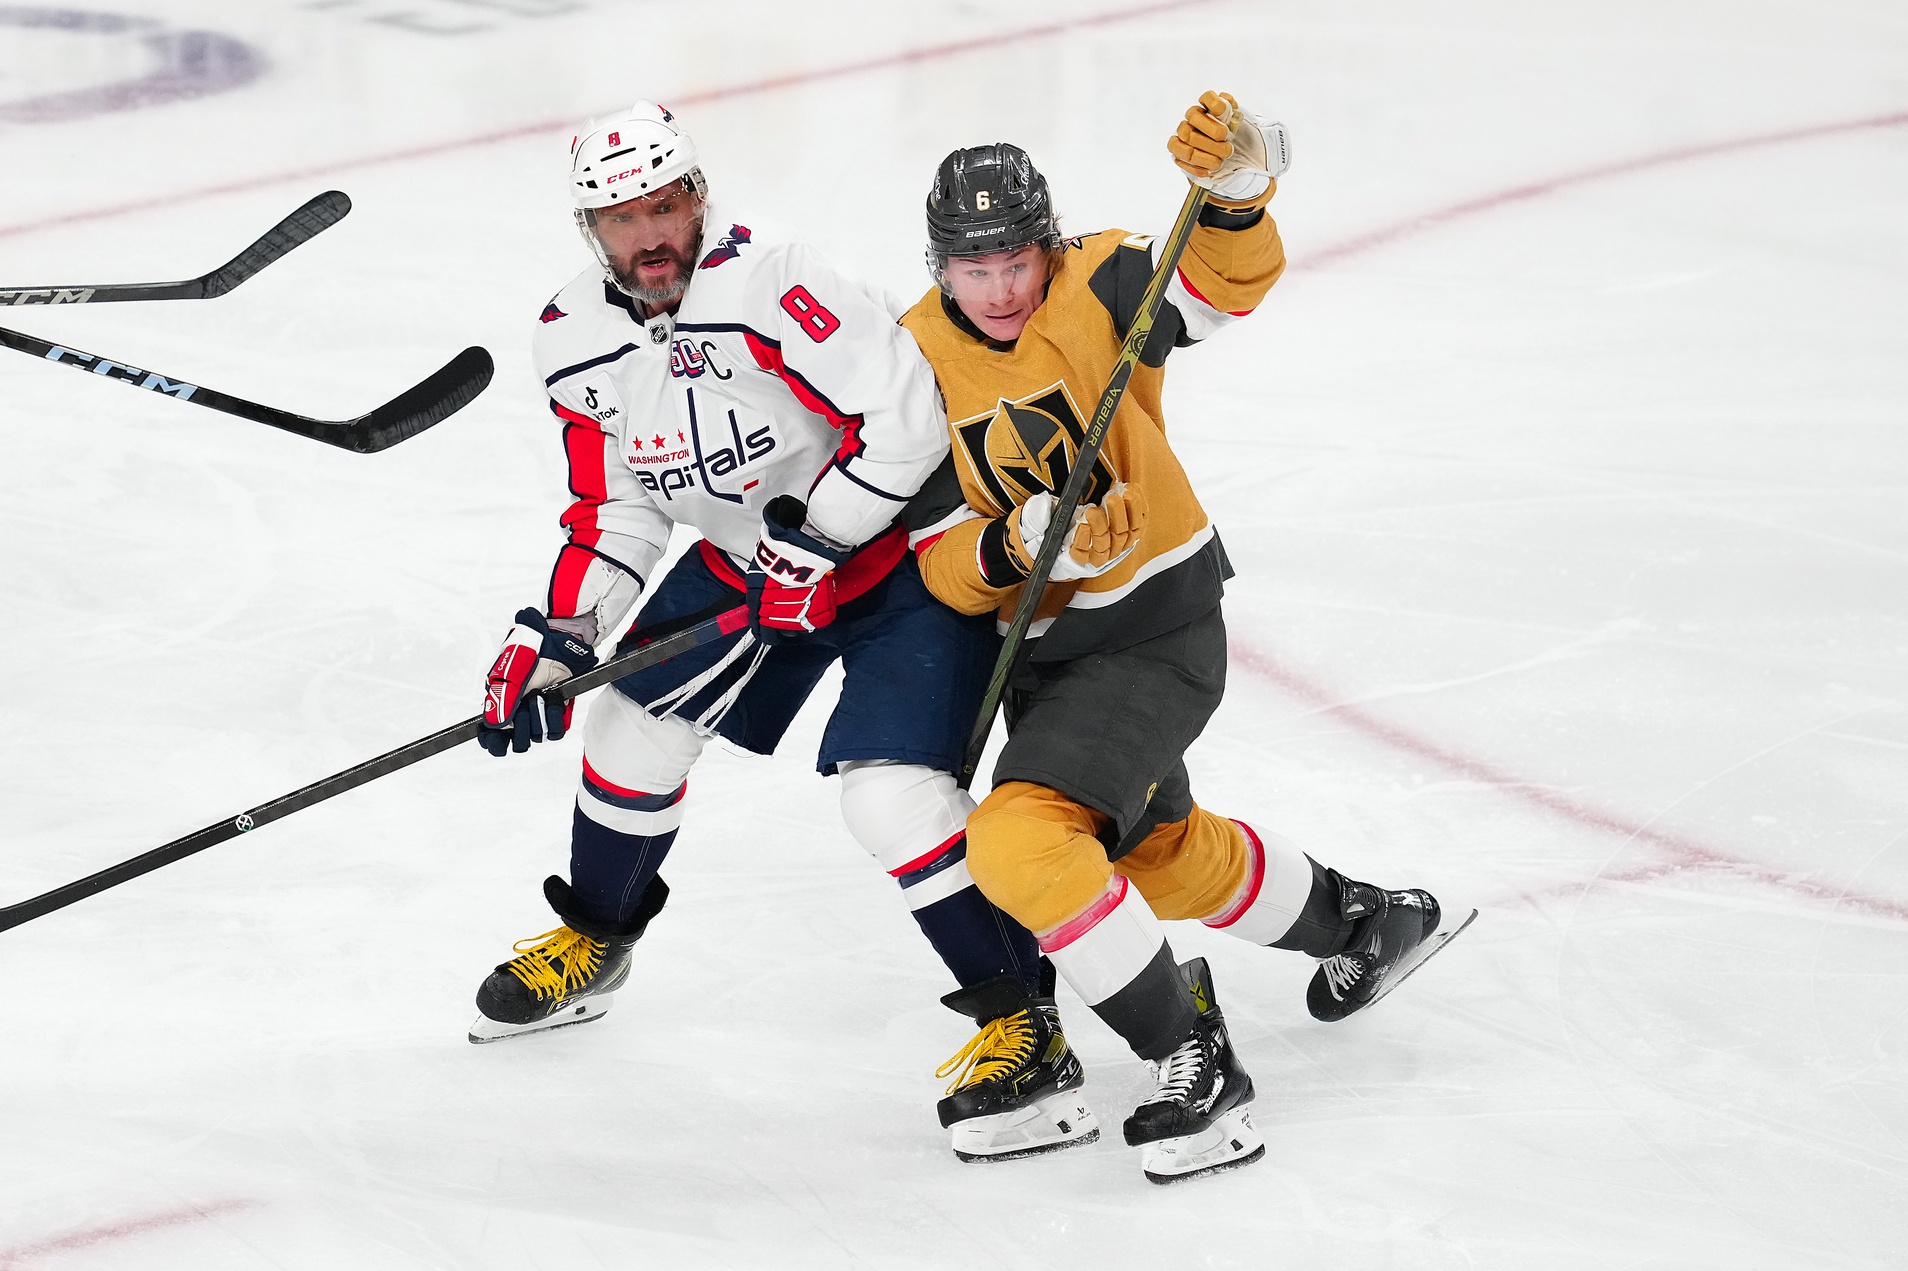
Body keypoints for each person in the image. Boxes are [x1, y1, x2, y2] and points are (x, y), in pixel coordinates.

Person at [470, 101, 1097, 1162]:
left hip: (901, 553)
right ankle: (595, 937)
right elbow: (616, 508)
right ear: (592, 231)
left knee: (891, 795)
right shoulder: (572, 337)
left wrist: (822, 542)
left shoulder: (777, 282)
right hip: (747, 564)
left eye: (665, 205)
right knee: (627, 723)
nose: (650, 234)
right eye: (622, 218)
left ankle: (1021, 1022)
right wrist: (565, 635)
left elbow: (902, 422)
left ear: (698, 197)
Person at [900, 92, 1472, 1183]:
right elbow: (933, 549)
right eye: (976, 270)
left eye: (1018, 259)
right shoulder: (915, 359)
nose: (1004, 287)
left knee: (1021, 843)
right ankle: (1365, 923)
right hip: (1051, 660)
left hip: (1159, 625)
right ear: (940, 269)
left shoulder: (1100, 278)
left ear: (1049, 242)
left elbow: (1215, 288)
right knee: (1153, 856)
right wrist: (1016, 547)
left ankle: (1193, 1058)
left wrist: (1240, 194)